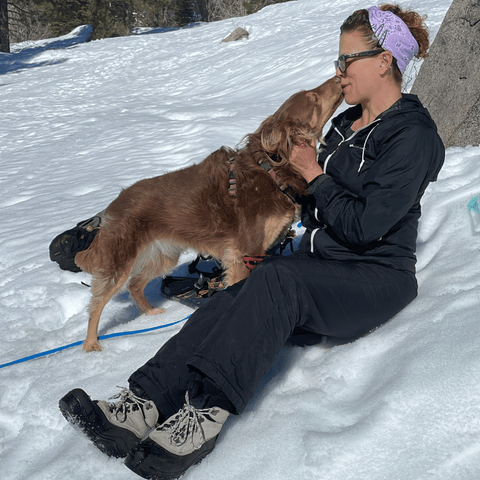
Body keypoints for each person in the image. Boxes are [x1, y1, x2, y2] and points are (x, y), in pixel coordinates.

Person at [59, 4, 445, 479]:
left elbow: (366, 226)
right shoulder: (345, 127)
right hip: (323, 272)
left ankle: (201, 420)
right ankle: (138, 406)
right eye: (337, 61)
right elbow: (313, 202)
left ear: (383, 60)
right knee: (234, 294)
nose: (338, 72)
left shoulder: (413, 135)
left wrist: (313, 174)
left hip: (375, 278)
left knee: (277, 279)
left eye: (346, 60)